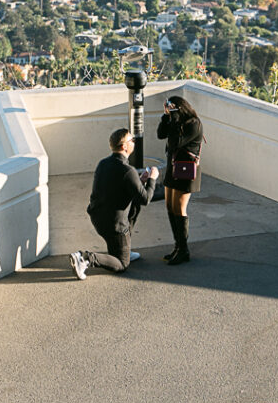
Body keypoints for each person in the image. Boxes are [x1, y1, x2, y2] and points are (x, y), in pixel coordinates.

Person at [69, 128, 159, 280]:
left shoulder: (103, 163)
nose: (134, 143)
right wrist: (152, 179)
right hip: (115, 227)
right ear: (124, 146)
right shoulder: (128, 170)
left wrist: (140, 181)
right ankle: (85, 258)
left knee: (134, 204)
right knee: (122, 264)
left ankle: (124, 248)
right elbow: (146, 199)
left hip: (98, 218)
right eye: (132, 140)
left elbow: (118, 188)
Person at [157, 95, 204, 265]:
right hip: (173, 168)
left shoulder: (194, 124)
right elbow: (160, 134)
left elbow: (176, 142)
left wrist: (175, 118)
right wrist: (166, 117)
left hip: (186, 171)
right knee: (169, 206)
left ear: (181, 107)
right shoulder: (173, 121)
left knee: (179, 208)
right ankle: (177, 246)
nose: (170, 110)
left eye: (173, 107)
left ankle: (184, 250)